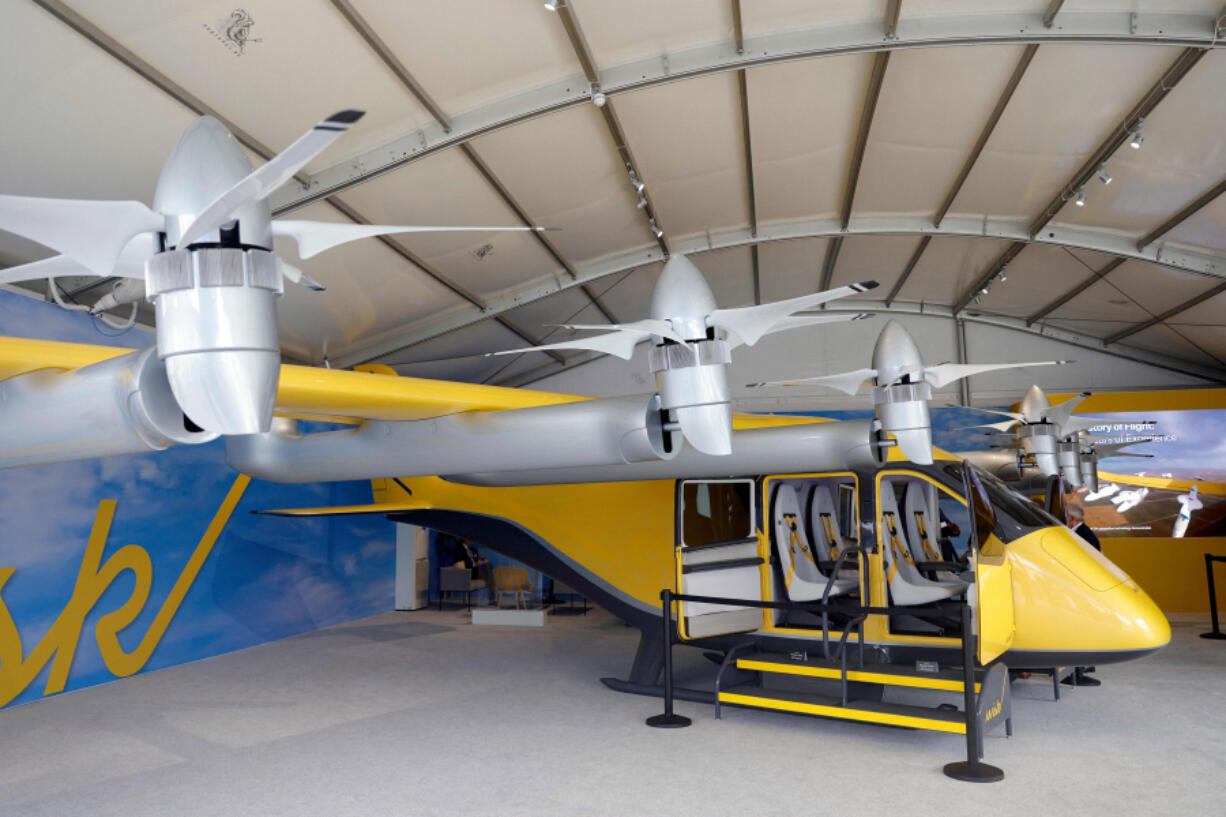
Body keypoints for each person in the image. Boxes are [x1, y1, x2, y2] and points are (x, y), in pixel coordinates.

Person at [1063, 501, 1101, 687]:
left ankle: (1078, 671)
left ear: (1071, 519)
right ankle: (1081, 668)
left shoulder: (1081, 536)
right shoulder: (1084, 533)